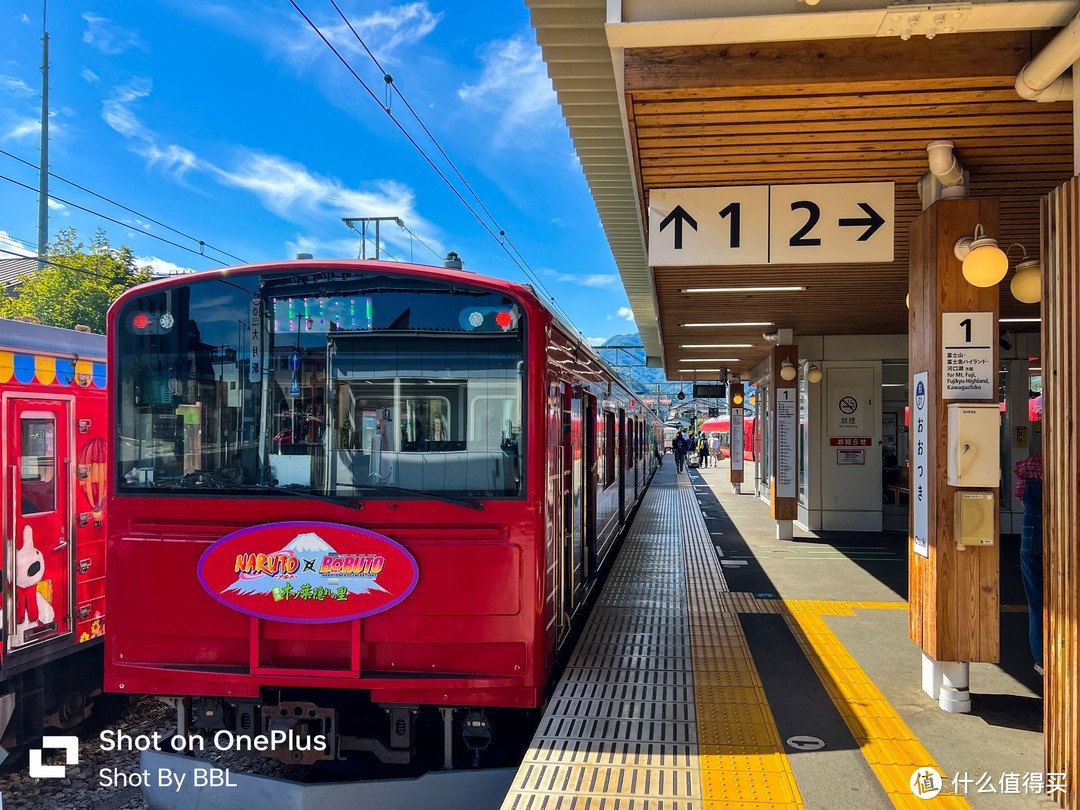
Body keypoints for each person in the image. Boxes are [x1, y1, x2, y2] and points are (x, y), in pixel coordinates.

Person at [1014, 449, 1043, 676]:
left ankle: (1041, 658)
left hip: (1031, 535)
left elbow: (1020, 496)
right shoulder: (1069, 463)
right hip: (1065, 536)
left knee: (1036, 600)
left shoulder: (1031, 464)